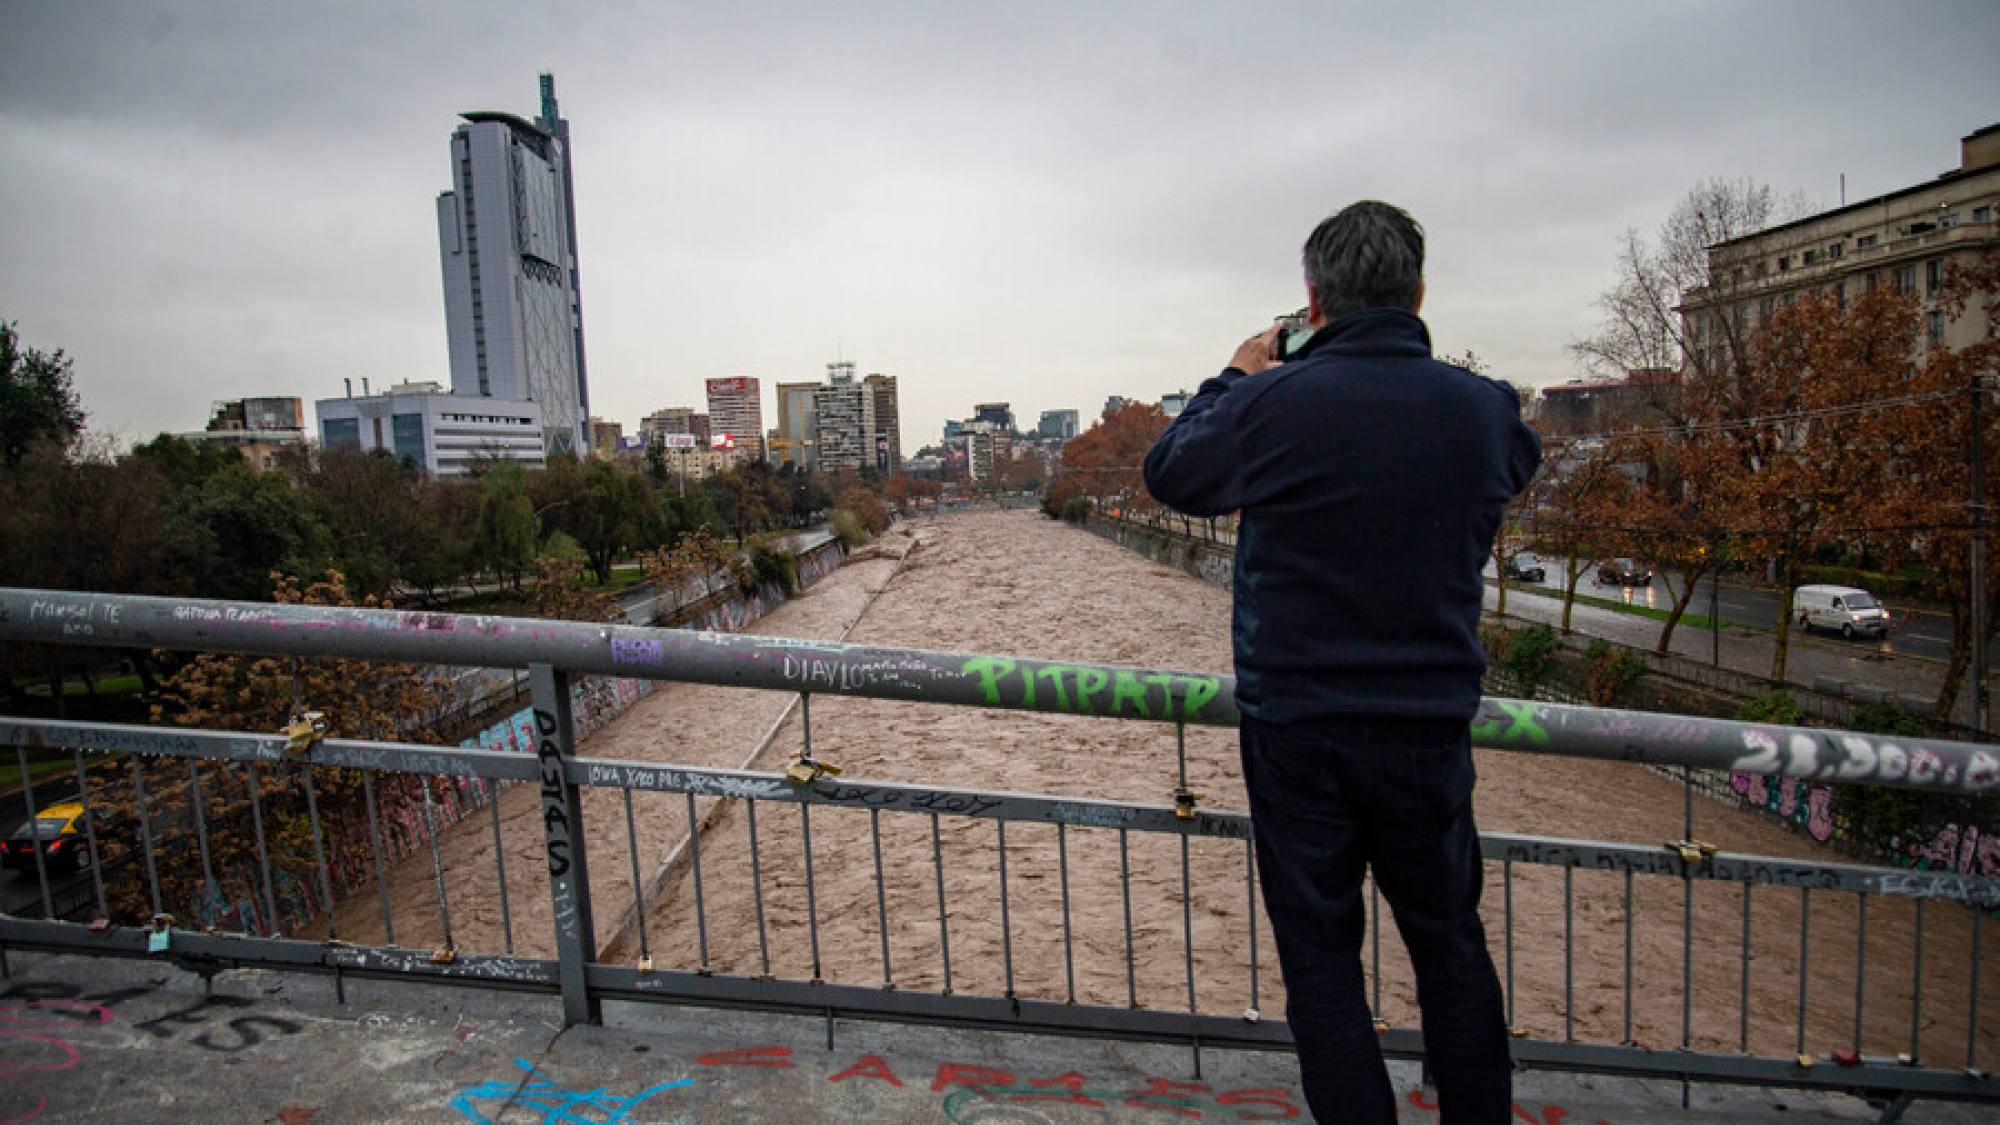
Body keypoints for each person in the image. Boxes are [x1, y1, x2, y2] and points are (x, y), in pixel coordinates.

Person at [1143, 201, 1540, 1124]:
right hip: (1429, 730)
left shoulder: (1269, 404)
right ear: (1419, 292)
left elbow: (1173, 471)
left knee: (1322, 961)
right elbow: (1515, 460)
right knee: (1450, 946)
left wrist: (1235, 373)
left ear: (1312, 300)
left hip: (1300, 732)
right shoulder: (1481, 410)